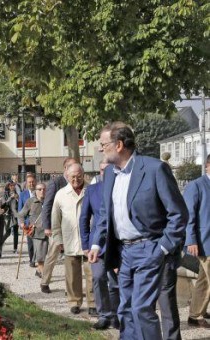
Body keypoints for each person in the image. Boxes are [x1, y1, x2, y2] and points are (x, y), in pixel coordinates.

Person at [89, 122, 187, 340]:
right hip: (124, 253)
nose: (100, 148)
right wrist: (97, 243)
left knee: (141, 308)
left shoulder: (154, 169)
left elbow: (178, 213)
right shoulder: (111, 175)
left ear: (120, 145)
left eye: (104, 144)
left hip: (150, 248)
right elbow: (105, 212)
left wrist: (162, 247)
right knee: (125, 308)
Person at [52, 163, 95, 315]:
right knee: (72, 275)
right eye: (72, 177)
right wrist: (58, 240)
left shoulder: (92, 190)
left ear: (83, 175)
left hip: (90, 241)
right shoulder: (61, 194)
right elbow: (55, 221)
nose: (76, 179)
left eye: (79, 176)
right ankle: (74, 301)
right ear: (67, 177)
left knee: (92, 274)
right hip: (69, 240)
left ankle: (93, 303)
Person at [80, 161, 119, 330]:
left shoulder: (121, 186)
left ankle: (117, 315)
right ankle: (104, 315)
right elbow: (84, 218)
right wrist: (86, 243)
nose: (105, 172)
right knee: (98, 278)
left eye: (108, 169)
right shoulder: (92, 190)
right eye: (102, 170)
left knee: (116, 282)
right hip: (98, 244)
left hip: (117, 244)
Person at [41, 157, 79, 293]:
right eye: (71, 167)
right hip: (57, 226)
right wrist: (47, 226)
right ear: (65, 169)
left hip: (73, 226)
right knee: (52, 255)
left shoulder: (78, 182)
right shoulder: (56, 183)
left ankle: (70, 286)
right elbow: (47, 205)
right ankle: (45, 281)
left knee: (72, 256)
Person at [183, 154, 210, 329]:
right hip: (205, 241)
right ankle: (196, 314)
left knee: (204, 279)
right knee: (207, 280)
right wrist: (191, 240)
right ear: (208, 165)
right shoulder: (196, 185)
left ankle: (197, 311)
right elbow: (189, 216)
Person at [18, 183, 48, 280]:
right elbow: (21, 214)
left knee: (48, 255)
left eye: (44, 189)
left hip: (50, 231)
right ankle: (44, 277)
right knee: (40, 254)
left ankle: (39, 270)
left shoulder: (50, 201)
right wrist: (22, 224)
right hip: (37, 232)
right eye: (39, 189)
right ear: (36, 191)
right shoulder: (30, 201)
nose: (42, 191)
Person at [18, 173, 38, 266]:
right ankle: (32, 260)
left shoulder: (40, 191)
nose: (31, 184)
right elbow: (20, 209)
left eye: (33, 182)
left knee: (39, 242)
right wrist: (21, 222)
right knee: (30, 243)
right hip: (28, 222)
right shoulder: (23, 194)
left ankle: (39, 259)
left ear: (36, 182)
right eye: (29, 182)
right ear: (26, 183)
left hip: (38, 222)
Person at [3, 182, 20, 254]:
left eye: (13, 185)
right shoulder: (5, 194)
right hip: (8, 215)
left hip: (16, 215)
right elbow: (4, 204)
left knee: (16, 232)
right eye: (11, 185)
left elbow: (21, 203)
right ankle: (0, 243)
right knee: (8, 232)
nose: (12, 187)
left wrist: (17, 198)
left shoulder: (18, 193)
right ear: (8, 186)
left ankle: (15, 248)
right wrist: (11, 197)